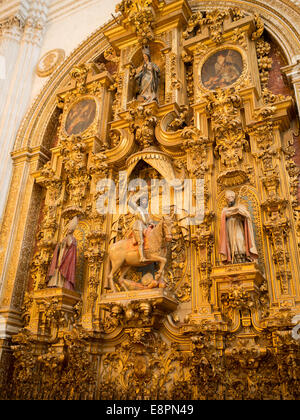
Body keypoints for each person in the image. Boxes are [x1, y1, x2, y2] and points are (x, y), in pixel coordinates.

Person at [219, 190, 258, 264]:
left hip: (238, 227)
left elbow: (247, 215)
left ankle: (243, 258)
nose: (229, 200)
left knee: (239, 240)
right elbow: (225, 214)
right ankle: (234, 260)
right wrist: (234, 211)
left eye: (231, 198)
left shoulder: (240, 206)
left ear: (234, 198)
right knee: (231, 244)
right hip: (229, 229)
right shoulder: (225, 209)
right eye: (228, 199)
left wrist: (239, 211)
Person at [47, 216, 78, 290]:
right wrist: (59, 245)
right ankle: (55, 283)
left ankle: (62, 284)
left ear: (72, 231)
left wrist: (68, 239)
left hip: (67, 257)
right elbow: (60, 246)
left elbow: (71, 247)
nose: (68, 231)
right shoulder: (64, 238)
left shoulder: (73, 239)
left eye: (70, 230)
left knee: (63, 268)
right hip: (61, 254)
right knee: (57, 267)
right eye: (68, 229)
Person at [128, 193, 155, 262]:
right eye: (143, 200)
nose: (145, 202)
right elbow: (130, 202)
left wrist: (151, 223)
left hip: (145, 227)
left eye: (146, 201)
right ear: (140, 202)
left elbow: (149, 219)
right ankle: (141, 257)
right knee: (141, 241)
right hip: (138, 225)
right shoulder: (137, 208)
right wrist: (132, 195)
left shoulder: (146, 211)